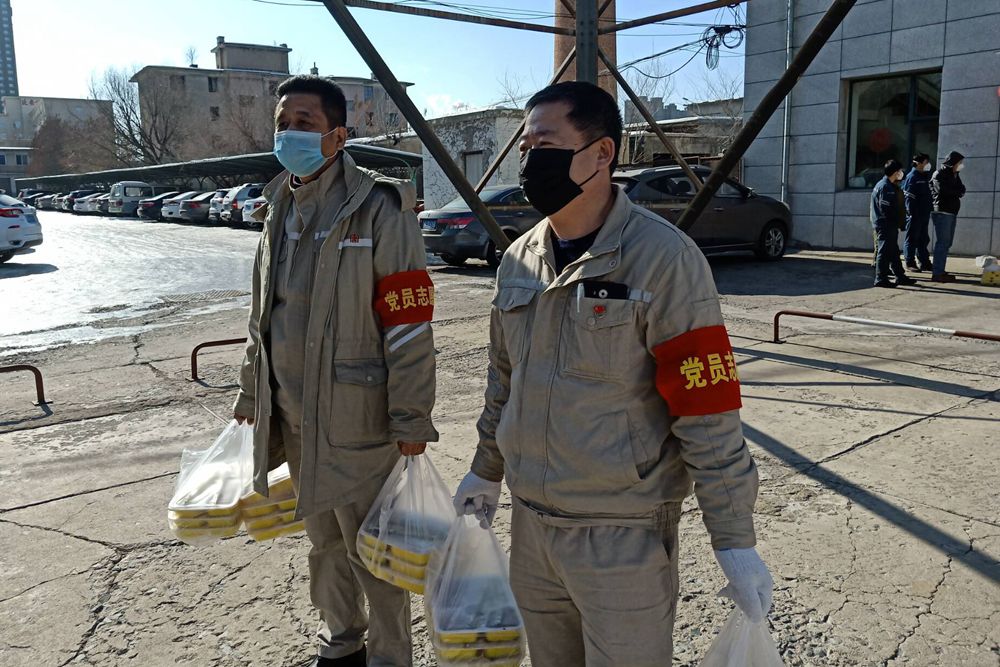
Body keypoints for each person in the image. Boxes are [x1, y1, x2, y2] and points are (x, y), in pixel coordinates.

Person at [452, 81, 772, 667]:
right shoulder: (521, 257)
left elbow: (705, 406)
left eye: (546, 145)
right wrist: (485, 470)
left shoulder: (664, 259)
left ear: (602, 153)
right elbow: (504, 380)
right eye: (525, 148)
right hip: (532, 526)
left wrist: (733, 538)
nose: (531, 162)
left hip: (621, 534)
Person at [233, 75, 437, 667]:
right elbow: (262, 313)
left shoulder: (379, 208)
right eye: (283, 123)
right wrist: (251, 391)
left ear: (338, 136)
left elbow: (409, 321)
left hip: (358, 418)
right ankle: (342, 642)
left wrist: (411, 415)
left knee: (374, 551)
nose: (289, 133)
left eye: (304, 123)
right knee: (323, 544)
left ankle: (390, 656)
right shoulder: (277, 206)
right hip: (294, 416)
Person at [870, 159, 917, 288]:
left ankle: (900, 276)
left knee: (893, 252)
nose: (901, 173)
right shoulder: (885, 187)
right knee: (884, 251)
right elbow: (885, 209)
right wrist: (895, 221)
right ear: (895, 172)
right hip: (885, 225)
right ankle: (880, 278)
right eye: (899, 171)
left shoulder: (887, 185)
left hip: (888, 224)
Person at [929, 151, 966, 283]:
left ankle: (940, 270)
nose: (961, 165)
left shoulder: (955, 174)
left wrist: (958, 191)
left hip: (951, 212)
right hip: (942, 212)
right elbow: (943, 191)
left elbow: (962, 188)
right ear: (953, 163)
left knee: (947, 243)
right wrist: (957, 192)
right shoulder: (939, 174)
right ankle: (937, 273)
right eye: (959, 163)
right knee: (942, 243)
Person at [902, 153, 933, 272]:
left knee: (923, 239)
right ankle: (909, 262)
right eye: (926, 162)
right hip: (915, 214)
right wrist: (912, 213)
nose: (928, 164)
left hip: (924, 213)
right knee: (911, 239)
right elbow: (908, 198)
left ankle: (924, 262)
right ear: (919, 163)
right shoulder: (912, 177)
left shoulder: (924, 176)